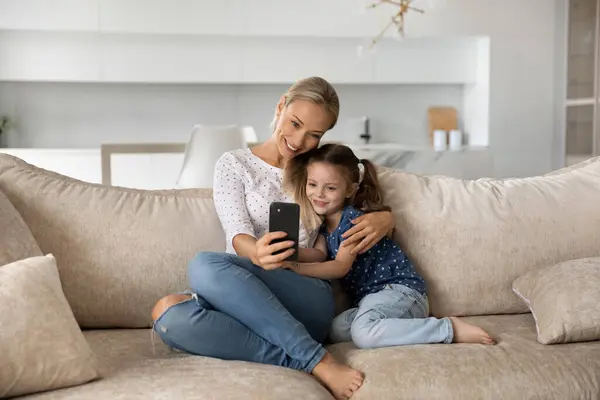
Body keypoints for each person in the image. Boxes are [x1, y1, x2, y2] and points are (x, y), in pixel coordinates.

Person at [151, 77, 396, 400]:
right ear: (281, 106)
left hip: (304, 295)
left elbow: (360, 182)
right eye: (294, 124)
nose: (298, 140)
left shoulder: (318, 170)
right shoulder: (234, 164)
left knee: (204, 265)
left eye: (314, 135)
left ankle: (317, 359)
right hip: (244, 293)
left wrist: (385, 217)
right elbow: (238, 235)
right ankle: (305, 359)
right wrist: (257, 253)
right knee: (168, 316)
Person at [282, 143, 496, 349]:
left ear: (350, 190)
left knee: (363, 334)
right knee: (335, 331)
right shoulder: (323, 227)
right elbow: (319, 254)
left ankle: (447, 328)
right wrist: (290, 253)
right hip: (373, 300)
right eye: (312, 184)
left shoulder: (353, 222)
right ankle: (403, 327)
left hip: (401, 292)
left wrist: (298, 269)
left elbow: (340, 266)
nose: (318, 194)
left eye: (330, 188)